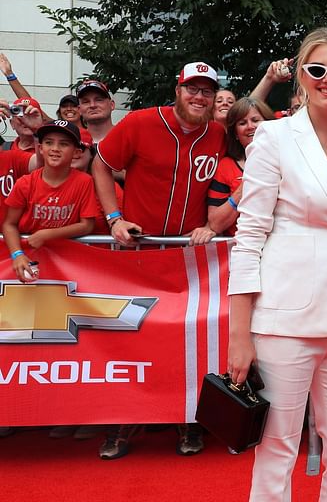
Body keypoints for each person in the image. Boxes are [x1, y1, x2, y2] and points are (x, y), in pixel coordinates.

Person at [227, 27, 327, 502]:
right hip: (284, 321)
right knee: (277, 448)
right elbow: (248, 235)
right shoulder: (274, 137)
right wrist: (240, 334)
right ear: (300, 76)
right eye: (317, 70)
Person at [91, 61, 226, 459]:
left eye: (207, 91)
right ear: (177, 89)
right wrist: (114, 217)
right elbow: (101, 165)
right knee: (130, 339)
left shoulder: (217, 132)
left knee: (185, 340)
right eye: (192, 89)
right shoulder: (140, 122)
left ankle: (188, 420)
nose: (199, 97)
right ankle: (120, 421)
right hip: (140, 251)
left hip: (187, 254)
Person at [3, 119, 98, 282]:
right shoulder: (25, 183)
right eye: (48, 143)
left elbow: (87, 224)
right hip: (28, 254)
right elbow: (9, 224)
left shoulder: (84, 181)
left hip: (66, 261)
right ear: (40, 149)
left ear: (76, 152)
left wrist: (48, 235)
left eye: (63, 144)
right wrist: (17, 254)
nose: (55, 149)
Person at [206, 97, 274, 236]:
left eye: (255, 120)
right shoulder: (226, 167)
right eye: (242, 123)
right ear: (236, 134)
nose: (250, 126)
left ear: (270, 124)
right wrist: (245, 187)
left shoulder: (289, 158)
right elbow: (215, 224)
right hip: (241, 248)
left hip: (280, 247)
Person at [76, 79, 116, 144]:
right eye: (86, 102)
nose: (92, 105)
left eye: (99, 100)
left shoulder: (128, 137)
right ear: (79, 110)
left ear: (112, 105)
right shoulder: (74, 142)